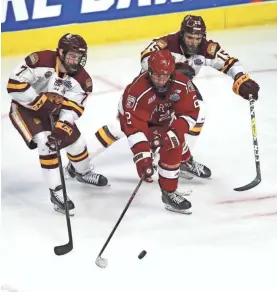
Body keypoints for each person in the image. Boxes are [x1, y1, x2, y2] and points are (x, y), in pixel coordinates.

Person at [91, 15, 260, 180]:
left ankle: (182, 159)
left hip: (176, 94)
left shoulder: (206, 48)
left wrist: (242, 79)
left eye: (198, 37)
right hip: (148, 95)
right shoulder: (166, 44)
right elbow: (145, 58)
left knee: (199, 111)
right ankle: (79, 163)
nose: (194, 42)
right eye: (190, 37)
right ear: (181, 34)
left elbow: (230, 62)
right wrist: (174, 70)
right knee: (120, 127)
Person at [7, 33, 108, 216]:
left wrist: (62, 128)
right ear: (60, 52)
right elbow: (14, 85)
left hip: (53, 112)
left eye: (78, 57)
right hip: (25, 108)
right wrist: (39, 102)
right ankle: (56, 192)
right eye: (71, 55)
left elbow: (72, 109)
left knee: (76, 143)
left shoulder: (82, 81)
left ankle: (82, 173)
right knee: (45, 142)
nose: (74, 60)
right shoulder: (40, 60)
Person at [118, 49, 199, 214]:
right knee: (146, 157)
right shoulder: (136, 91)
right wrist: (143, 158)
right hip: (139, 121)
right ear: (149, 71)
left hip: (163, 118)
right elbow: (134, 128)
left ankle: (168, 193)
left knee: (174, 143)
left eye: (165, 75)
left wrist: (175, 132)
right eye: (156, 75)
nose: (161, 80)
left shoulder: (182, 84)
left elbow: (190, 113)